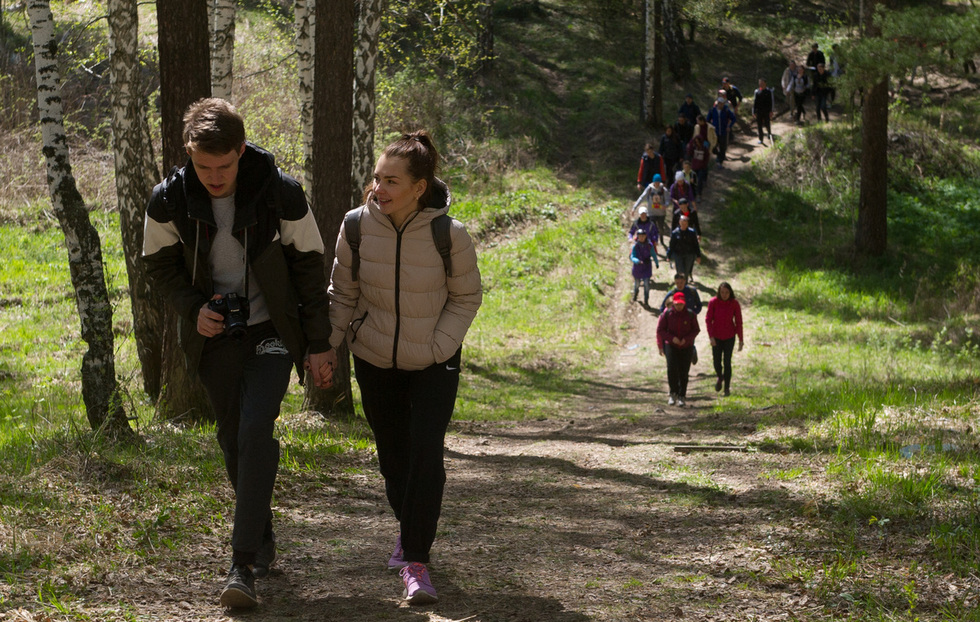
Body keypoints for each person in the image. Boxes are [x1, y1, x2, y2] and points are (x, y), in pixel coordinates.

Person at [142, 98, 336, 609]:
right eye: (203, 166)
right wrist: (193, 309)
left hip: (271, 330)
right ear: (189, 154)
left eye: (223, 165)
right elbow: (158, 267)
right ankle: (262, 530)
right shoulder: (169, 200)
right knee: (232, 439)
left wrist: (319, 344)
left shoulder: (281, 193)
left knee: (255, 427)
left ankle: (242, 562)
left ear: (241, 149)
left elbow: (311, 271)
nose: (214, 176)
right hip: (215, 334)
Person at [327, 131, 482, 606]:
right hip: (374, 357)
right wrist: (327, 348)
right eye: (377, 179)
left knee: (425, 451)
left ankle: (416, 559)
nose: (380, 189)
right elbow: (342, 295)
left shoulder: (449, 234)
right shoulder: (355, 227)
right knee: (393, 455)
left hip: (434, 360)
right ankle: (410, 529)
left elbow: (466, 297)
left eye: (391, 181)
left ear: (419, 186)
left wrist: (438, 344)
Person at [657, 291, 700, 406]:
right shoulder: (667, 314)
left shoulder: (690, 315)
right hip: (671, 346)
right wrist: (672, 339)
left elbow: (696, 330)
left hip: (686, 346)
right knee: (672, 369)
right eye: (677, 304)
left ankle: (682, 395)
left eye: (681, 304)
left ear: (684, 303)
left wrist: (686, 339)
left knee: (684, 371)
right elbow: (660, 330)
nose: (679, 306)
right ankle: (673, 393)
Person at [705, 281, 743, 396]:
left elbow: (739, 322)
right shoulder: (713, 302)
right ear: (719, 292)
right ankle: (720, 377)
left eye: (727, 292)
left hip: (729, 337)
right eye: (722, 292)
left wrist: (741, 339)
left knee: (727, 362)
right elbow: (708, 320)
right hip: (716, 337)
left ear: (730, 292)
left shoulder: (734, 303)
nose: (724, 294)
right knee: (717, 362)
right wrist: (711, 336)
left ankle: (727, 388)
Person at [632, 173, 670, 247]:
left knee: (661, 228)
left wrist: (665, 206)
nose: (657, 184)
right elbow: (642, 197)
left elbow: (668, 200)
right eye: (656, 182)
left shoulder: (663, 190)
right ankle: (654, 242)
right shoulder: (649, 189)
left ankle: (661, 239)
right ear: (653, 182)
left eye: (658, 182)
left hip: (661, 213)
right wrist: (634, 207)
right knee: (653, 228)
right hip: (651, 212)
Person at [666, 214, 701, 281]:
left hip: (689, 255)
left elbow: (696, 245)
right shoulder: (675, 233)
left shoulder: (692, 232)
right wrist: (668, 255)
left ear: (687, 224)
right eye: (682, 223)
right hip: (678, 255)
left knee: (686, 272)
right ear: (679, 222)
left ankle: (685, 287)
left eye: (685, 223)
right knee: (680, 272)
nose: (684, 225)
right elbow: (671, 245)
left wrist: (698, 256)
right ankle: (680, 286)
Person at [706, 97, 736, 167]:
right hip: (714, 132)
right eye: (719, 103)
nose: (721, 105)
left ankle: (720, 161)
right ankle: (719, 156)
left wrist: (729, 126)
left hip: (723, 132)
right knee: (713, 146)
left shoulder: (726, 110)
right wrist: (710, 127)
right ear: (717, 103)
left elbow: (733, 118)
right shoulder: (712, 110)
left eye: (722, 103)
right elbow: (707, 120)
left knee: (723, 147)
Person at [630, 229, 657, 306]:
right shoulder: (635, 246)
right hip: (638, 268)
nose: (641, 238)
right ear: (637, 237)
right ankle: (636, 293)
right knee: (637, 283)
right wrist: (637, 261)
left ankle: (646, 300)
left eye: (643, 236)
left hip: (647, 267)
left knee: (646, 284)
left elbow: (653, 254)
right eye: (640, 236)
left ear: (645, 236)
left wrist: (656, 262)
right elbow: (632, 256)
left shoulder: (649, 245)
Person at [752, 78, 775, 144]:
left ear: (765, 83)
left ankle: (769, 133)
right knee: (759, 125)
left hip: (767, 111)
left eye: (762, 83)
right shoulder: (757, 91)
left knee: (767, 123)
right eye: (759, 83)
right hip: (759, 111)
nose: (760, 84)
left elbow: (771, 101)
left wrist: (771, 111)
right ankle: (761, 139)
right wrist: (754, 111)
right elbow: (755, 102)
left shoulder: (769, 91)